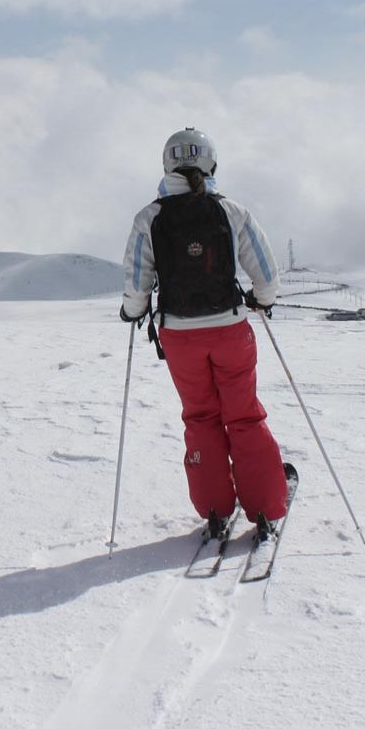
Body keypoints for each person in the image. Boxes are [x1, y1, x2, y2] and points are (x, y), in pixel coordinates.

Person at [119, 128, 289, 541]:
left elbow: (137, 283)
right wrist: (262, 300)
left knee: (200, 417)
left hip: (179, 336)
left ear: (167, 164)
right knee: (243, 414)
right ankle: (265, 503)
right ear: (211, 163)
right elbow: (265, 273)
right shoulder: (231, 211)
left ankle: (214, 505)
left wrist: (132, 311)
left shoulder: (150, 217)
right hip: (230, 328)